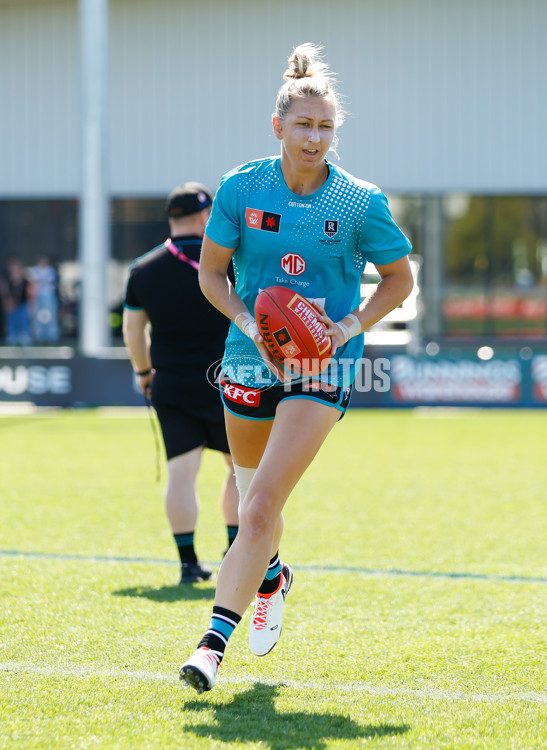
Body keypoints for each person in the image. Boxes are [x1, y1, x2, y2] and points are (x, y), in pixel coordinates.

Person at [179, 42, 414, 692]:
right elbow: (211, 275)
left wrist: (347, 328)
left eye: (327, 127)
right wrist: (251, 323)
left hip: (323, 365)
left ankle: (209, 647)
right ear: (277, 125)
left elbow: (398, 280)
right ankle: (274, 574)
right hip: (248, 357)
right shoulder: (242, 186)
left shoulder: (360, 202)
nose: (316, 137)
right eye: (304, 124)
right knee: (249, 496)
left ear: (336, 132)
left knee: (257, 509)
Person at [122, 182, 239, 585]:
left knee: (181, 472)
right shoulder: (228, 266)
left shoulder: (144, 269)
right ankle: (233, 554)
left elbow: (133, 330)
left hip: (170, 383)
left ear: (172, 218)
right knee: (239, 471)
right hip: (230, 381)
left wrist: (143, 372)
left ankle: (188, 563)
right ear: (207, 215)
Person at [1, 257, 33, 346]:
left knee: (24, 320)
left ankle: (25, 335)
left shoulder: (25, 281)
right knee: (12, 320)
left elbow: (29, 293)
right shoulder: (7, 281)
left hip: (22, 304)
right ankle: (12, 336)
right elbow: (5, 292)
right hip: (12, 304)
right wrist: (8, 301)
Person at [30, 256, 60, 342]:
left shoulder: (51, 270)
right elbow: (34, 282)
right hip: (38, 296)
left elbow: (52, 282)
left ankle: (52, 335)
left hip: (49, 296)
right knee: (37, 316)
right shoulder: (35, 270)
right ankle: (39, 335)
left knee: (51, 315)